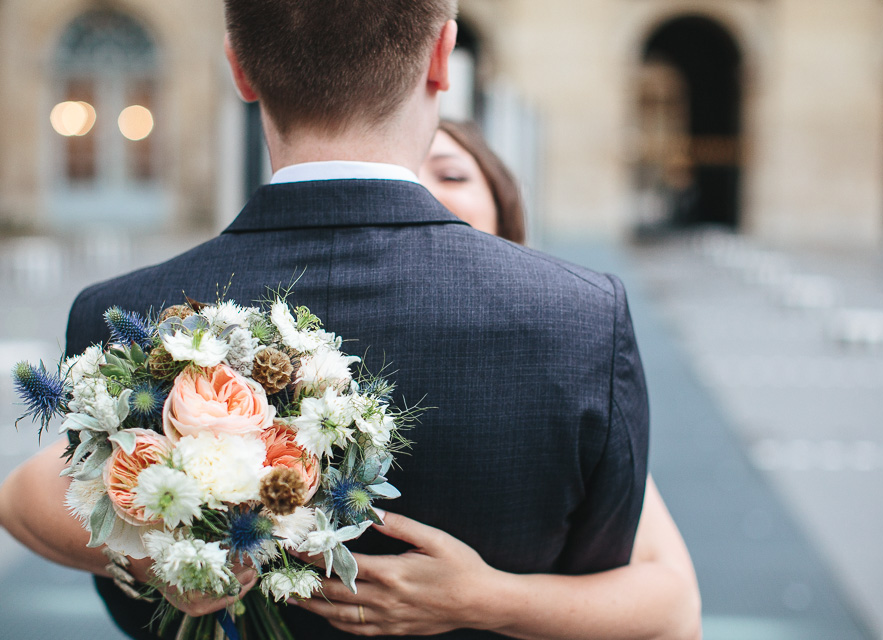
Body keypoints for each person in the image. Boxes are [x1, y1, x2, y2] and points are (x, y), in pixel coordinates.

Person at [0, 3, 686, 639]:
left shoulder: (124, 316)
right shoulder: (583, 320)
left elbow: (47, 502)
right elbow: (643, 599)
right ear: (443, 55)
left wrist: (153, 552)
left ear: (237, 64)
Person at [285, 125, 700, 639]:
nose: (416, 195)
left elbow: (674, 607)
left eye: (452, 174)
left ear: (503, 211)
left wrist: (485, 599)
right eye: (403, 178)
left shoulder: (567, 346)